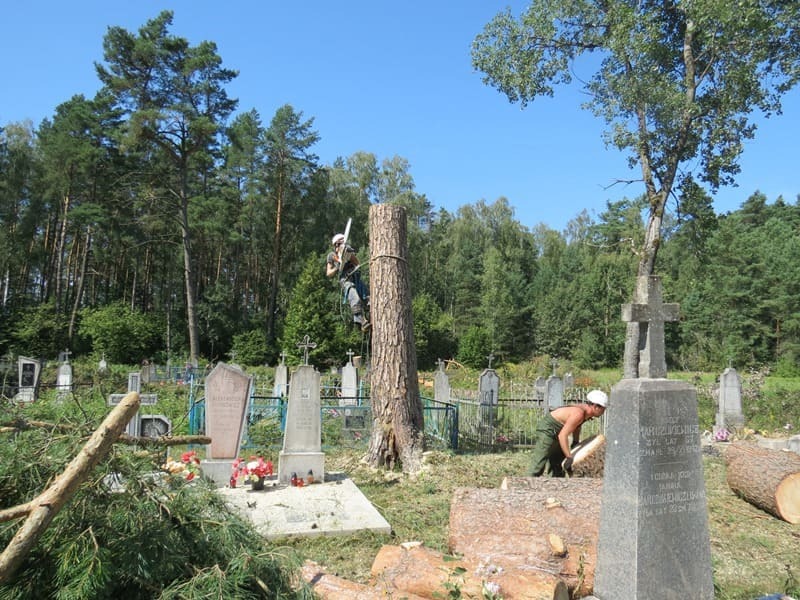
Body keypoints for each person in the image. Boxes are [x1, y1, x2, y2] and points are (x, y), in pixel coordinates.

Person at [529, 389, 608, 477]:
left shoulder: (585, 413)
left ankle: (555, 486)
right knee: (539, 462)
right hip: (549, 429)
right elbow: (563, 435)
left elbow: (577, 426)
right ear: (595, 406)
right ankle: (527, 484)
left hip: (558, 430)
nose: (603, 411)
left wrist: (575, 442)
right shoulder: (579, 413)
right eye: (603, 409)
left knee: (558, 464)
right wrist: (569, 457)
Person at [326, 233, 370, 331]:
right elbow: (328, 273)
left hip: (355, 276)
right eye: (339, 244)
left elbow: (357, 263)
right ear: (335, 245)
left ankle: (370, 315)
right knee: (354, 296)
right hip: (345, 279)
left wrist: (349, 257)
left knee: (366, 297)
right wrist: (337, 267)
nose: (341, 246)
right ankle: (361, 321)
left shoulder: (347, 251)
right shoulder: (332, 256)